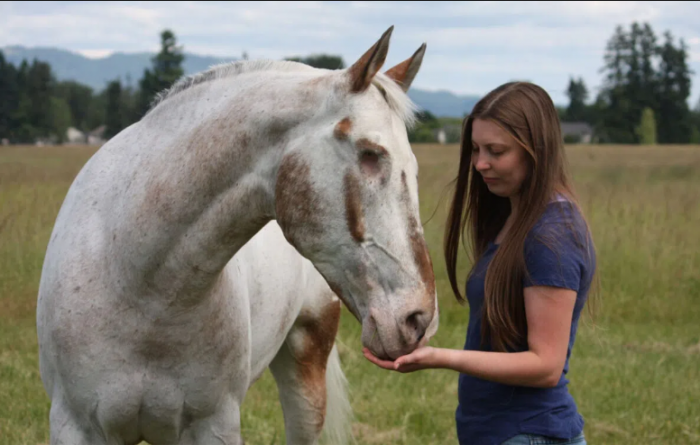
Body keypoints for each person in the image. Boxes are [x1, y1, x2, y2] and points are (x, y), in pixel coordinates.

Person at [363, 81, 598, 445]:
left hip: (531, 434)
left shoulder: (552, 235)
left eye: (496, 151)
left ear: (536, 150)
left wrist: (442, 357)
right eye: (475, 149)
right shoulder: (518, 219)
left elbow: (546, 365)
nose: (480, 163)